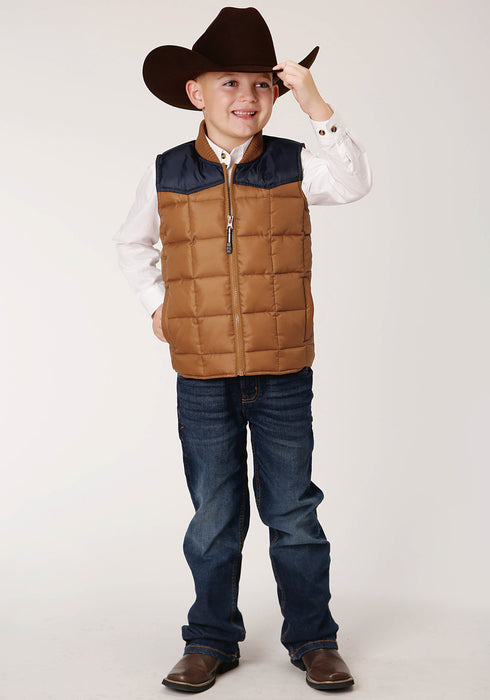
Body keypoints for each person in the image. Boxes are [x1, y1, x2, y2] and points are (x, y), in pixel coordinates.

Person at [113, 6, 372, 693]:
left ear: (276, 93)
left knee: (293, 512)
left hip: (282, 371)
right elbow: (132, 243)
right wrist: (156, 305)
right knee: (213, 515)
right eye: (229, 83)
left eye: (262, 84)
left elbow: (353, 183)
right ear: (195, 92)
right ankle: (210, 640)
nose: (247, 97)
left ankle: (314, 639)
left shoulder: (294, 164)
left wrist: (317, 107)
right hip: (202, 375)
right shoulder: (167, 172)